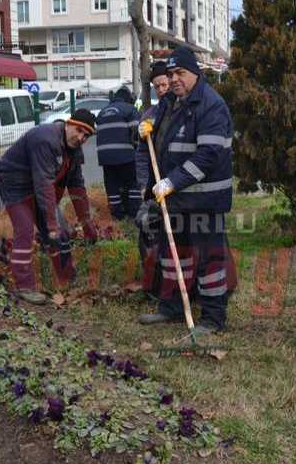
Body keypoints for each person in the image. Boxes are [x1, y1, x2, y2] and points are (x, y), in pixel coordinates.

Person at [136, 47, 235, 333]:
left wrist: (172, 182)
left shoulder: (211, 106)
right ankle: (173, 308)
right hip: (177, 199)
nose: (175, 79)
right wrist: (145, 128)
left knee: (209, 260)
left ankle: (213, 318)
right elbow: (158, 131)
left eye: (180, 73)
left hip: (205, 197)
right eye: (171, 74)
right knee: (173, 256)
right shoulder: (171, 102)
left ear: (196, 73)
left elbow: (208, 155)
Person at [0, 109, 99, 304]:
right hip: (15, 184)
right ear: (68, 123)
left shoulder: (74, 150)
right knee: (25, 230)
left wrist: (87, 223)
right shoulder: (45, 139)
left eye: (86, 135)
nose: (81, 137)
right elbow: (44, 184)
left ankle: (67, 277)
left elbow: (76, 186)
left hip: (39, 186)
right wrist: (50, 225)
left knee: (62, 232)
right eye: (79, 131)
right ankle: (24, 286)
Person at [134, 61, 173, 299]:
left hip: (175, 184)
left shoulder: (182, 110)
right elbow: (140, 154)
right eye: (157, 86)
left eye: (164, 84)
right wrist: (142, 184)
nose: (161, 90)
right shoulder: (149, 115)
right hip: (153, 186)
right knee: (147, 230)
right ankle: (152, 286)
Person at [95, 86, 141, 220]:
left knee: (112, 184)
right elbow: (137, 132)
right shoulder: (129, 109)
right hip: (126, 155)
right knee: (133, 182)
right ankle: (133, 213)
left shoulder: (102, 112)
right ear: (128, 98)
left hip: (104, 157)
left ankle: (117, 215)